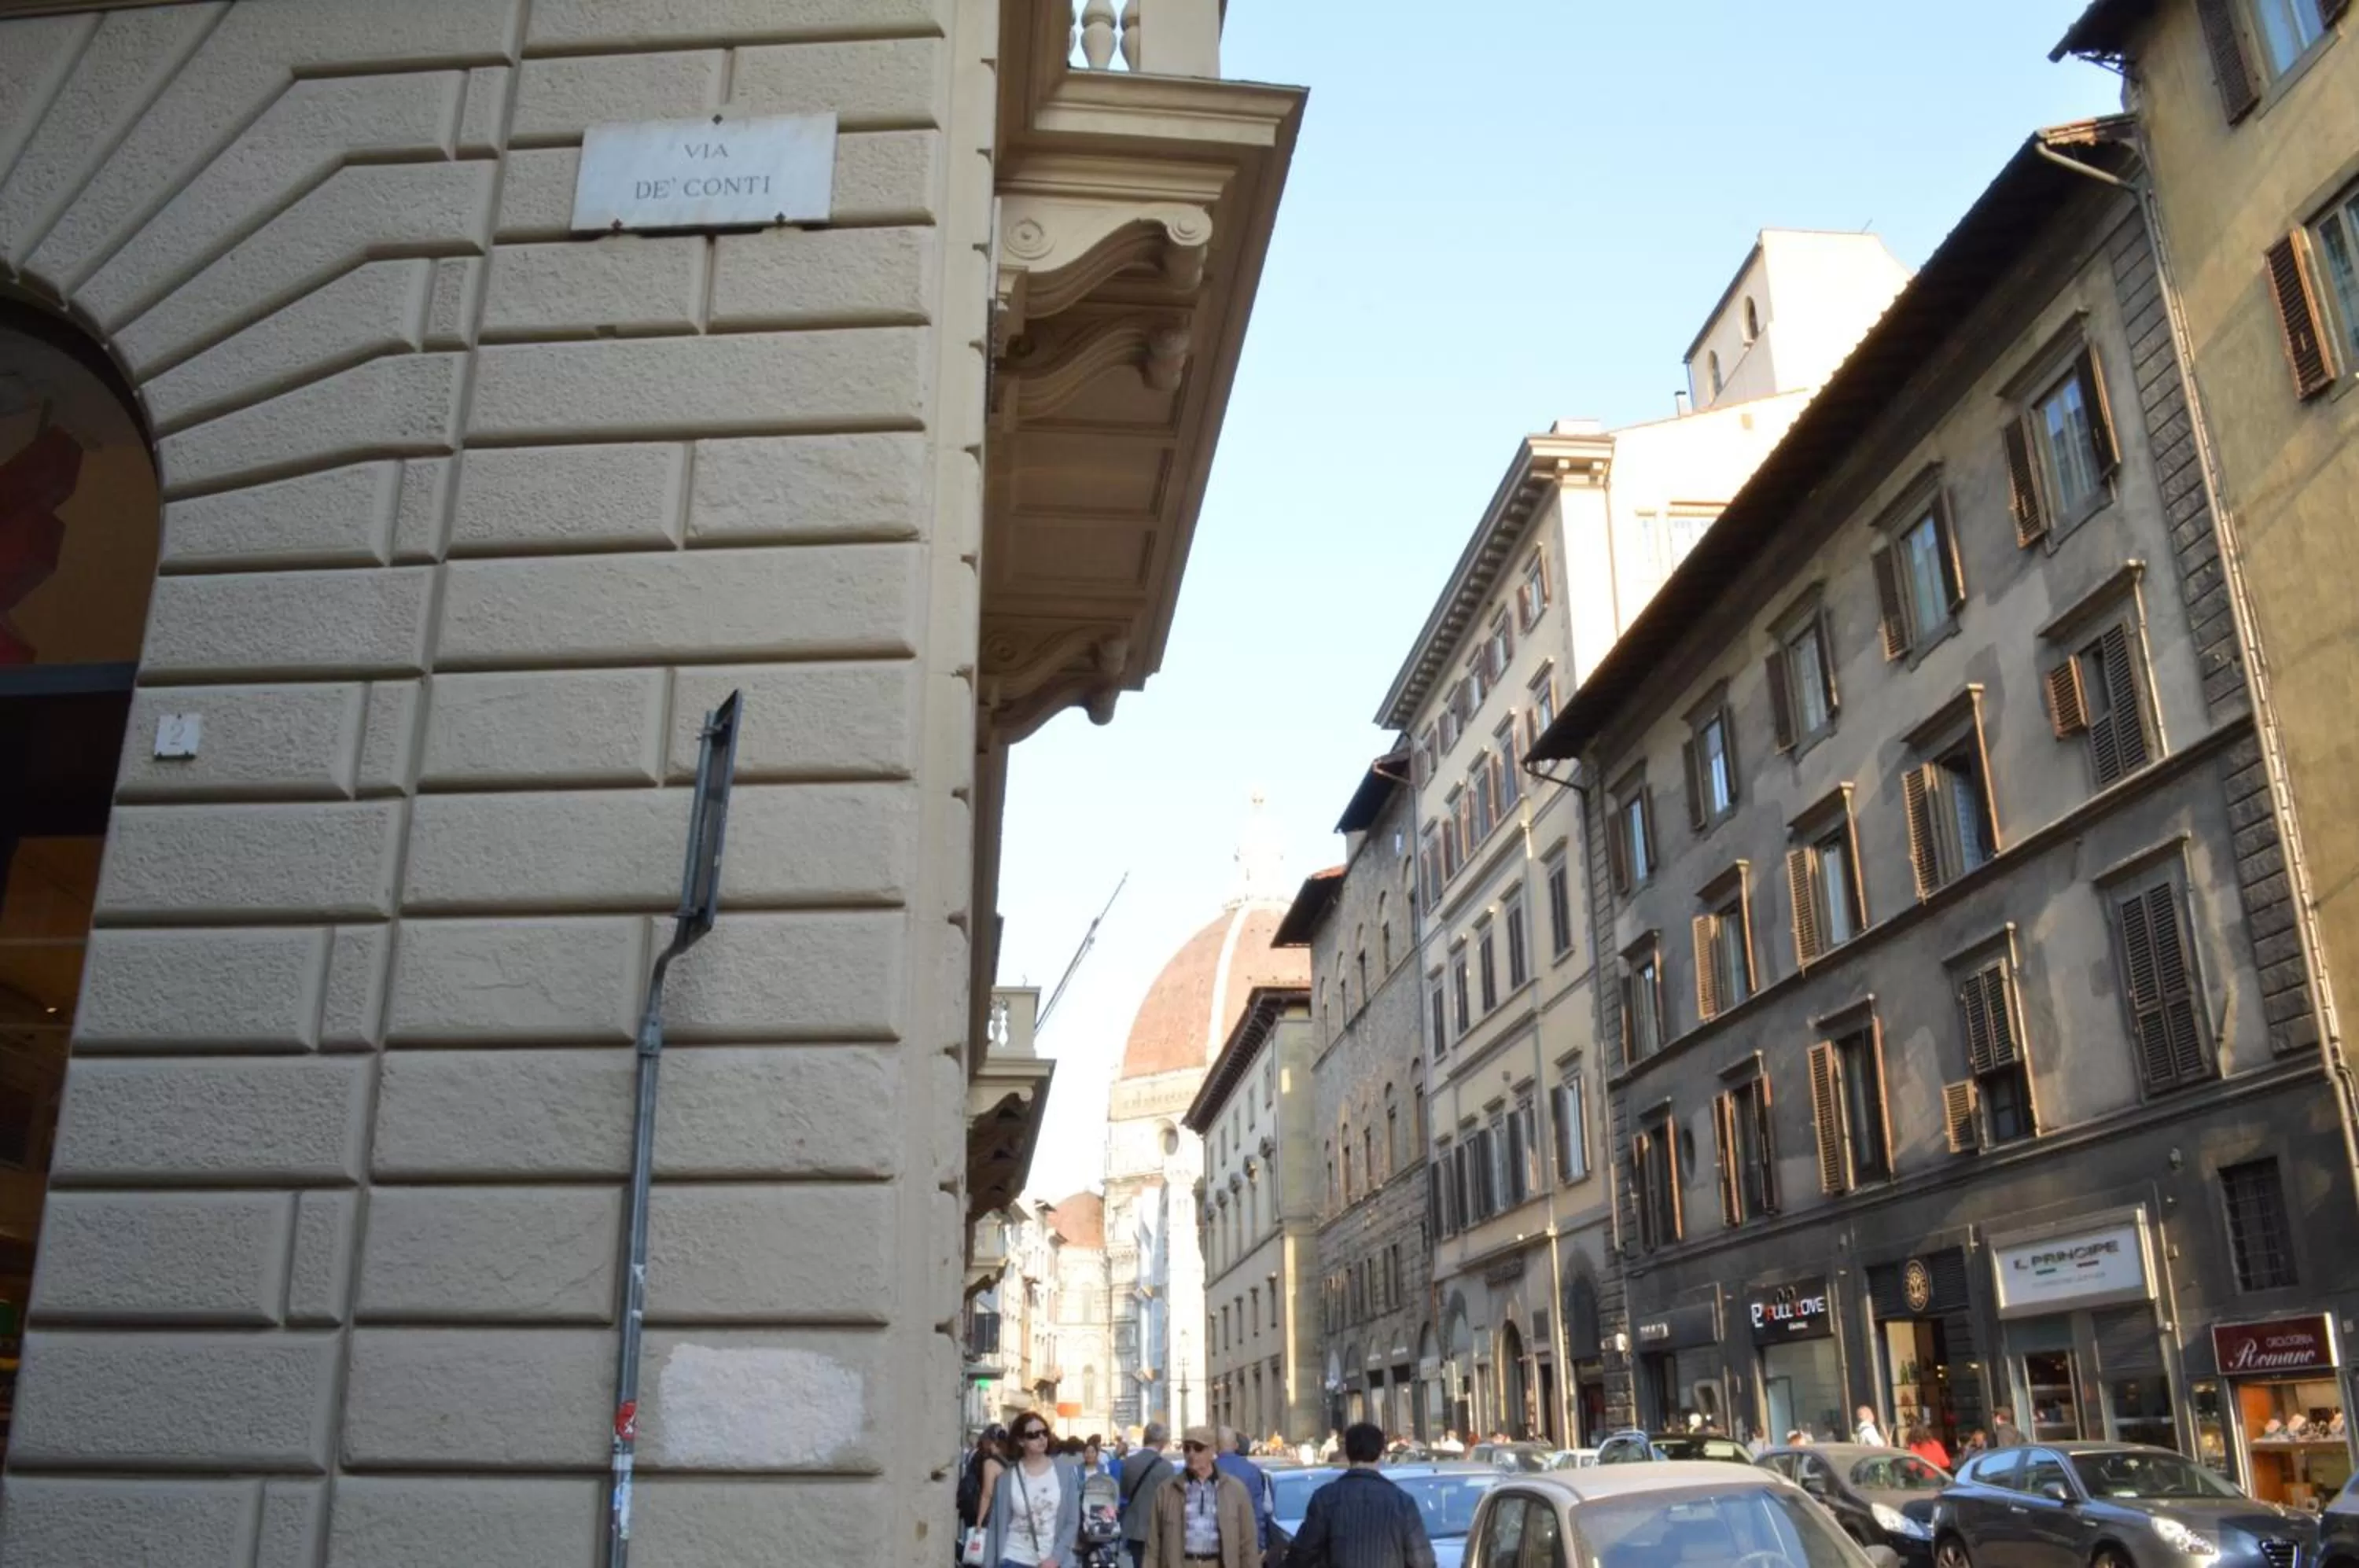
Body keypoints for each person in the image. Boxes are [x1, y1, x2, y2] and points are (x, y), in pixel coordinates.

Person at [1287, 1422, 1437, 1568]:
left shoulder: (1325, 1498)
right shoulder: (1402, 1502)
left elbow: (1301, 1555)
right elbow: (1422, 1561)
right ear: (1381, 1453)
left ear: (1348, 1453)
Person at [1142, 1425, 1257, 1568]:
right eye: (1187, 1449)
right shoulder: (1166, 1491)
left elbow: (1248, 1544)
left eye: (1198, 1448)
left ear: (1212, 1451)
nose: (1191, 1454)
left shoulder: (1235, 1490)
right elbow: (1153, 1545)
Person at [985, 1415, 1083, 1568]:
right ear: (1020, 1441)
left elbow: (1072, 1521)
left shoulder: (1064, 1472)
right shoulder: (1007, 1478)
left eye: (1044, 1432)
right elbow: (995, 1527)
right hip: (1013, 1558)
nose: (1042, 1438)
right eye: (1033, 1435)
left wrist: (1055, 1558)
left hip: (1051, 1561)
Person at [1119, 1422, 1177, 1568]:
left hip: (1134, 1528)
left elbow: (1124, 1492)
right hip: (1157, 1529)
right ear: (1162, 1442)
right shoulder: (1167, 1468)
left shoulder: (1129, 1462)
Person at [1213, 1426, 1273, 1553]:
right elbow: (1258, 1511)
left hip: (1215, 1544)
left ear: (1215, 1446)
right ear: (1235, 1445)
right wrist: (1260, 1545)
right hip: (1244, 1543)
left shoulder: (1208, 1471)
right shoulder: (1253, 1471)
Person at [960, 1425, 1010, 1561]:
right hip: (1005, 1515)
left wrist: (979, 1522)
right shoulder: (1010, 1463)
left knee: (980, 1555)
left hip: (989, 1515)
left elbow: (987, 1494)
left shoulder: (990, 1463)